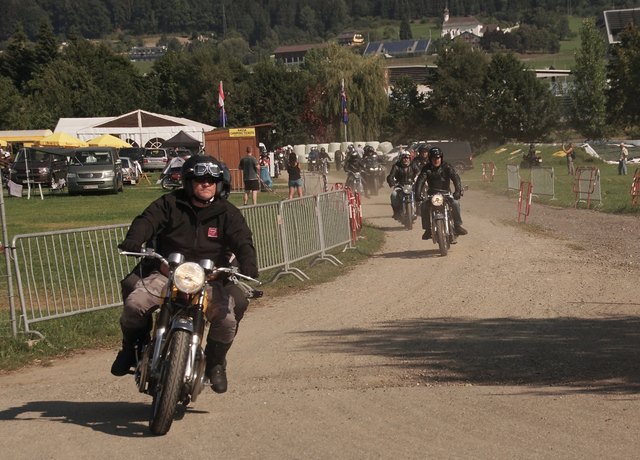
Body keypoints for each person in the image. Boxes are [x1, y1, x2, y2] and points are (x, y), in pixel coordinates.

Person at [111, 155, 258, 394]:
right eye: (200, 179)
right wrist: (134, 239)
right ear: (189, 182)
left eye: (212, 180)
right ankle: (132, 347)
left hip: (208, 280)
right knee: (135, 304)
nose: (206, 183)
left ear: (219, 184)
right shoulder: (170, 203)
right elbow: (147, 220)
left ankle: (215, 363)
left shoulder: (227, 213)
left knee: (227, 320)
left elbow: (243, 240)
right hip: (167, 275)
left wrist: (249, 266)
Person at [414, 147, 467, 240]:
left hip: (446, 193)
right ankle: (427, 229)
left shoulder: (447, 166)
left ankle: (457, 226)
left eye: (438, 158)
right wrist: (417, 194)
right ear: (430, 158)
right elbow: (420, 181)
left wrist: (457, 191)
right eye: (434, 158)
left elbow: (455, 178)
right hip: (432, 194)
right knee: (424, 206)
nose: (436, 160)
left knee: (455, 203)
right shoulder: (426, 169)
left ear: (441, 158)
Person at [386, 151, 417, 220]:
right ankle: (396, 212)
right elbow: (391, 176)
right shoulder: (396, 166)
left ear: (410, 159)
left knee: (419, 194)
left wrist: (418, 179)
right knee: (394, 195)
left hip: (411, 185)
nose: (406, 160)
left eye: (407, 158)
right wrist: (392, 182)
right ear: (401, 159)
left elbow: (418, 173)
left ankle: (418, 210)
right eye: (404, 158)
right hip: (400, 185)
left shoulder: (413, 165)